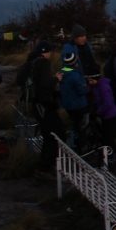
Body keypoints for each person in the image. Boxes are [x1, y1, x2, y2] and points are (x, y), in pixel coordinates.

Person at [30, 41, 64, 170]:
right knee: (54, 134)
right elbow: (45, 84)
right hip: (45, 105)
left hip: (37, 105)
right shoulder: (44, 63)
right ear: (47, 52)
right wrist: (56, 79)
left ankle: (45, 164)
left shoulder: (33, 63)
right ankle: (47, 165)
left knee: (48, 134)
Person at [58, 51, 89, 152]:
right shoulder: (75, 76)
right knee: (82, 126)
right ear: (75, 62)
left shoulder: (62, 72)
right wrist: (88, 87)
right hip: (79, 105)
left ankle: (75, 143)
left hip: (68, 105)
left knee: (75, 125)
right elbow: (82, 91)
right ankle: (81, 147)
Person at [88, 72, 116, 163]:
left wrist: (98, 112)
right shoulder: (95, 86)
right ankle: (108, 155)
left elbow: (108, 103)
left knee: (109, 137)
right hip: (105, 116)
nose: (89, 82)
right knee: (105, 137)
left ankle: (113, 156)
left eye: (91, 80)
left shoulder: (103, 87)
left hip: (110, 116)